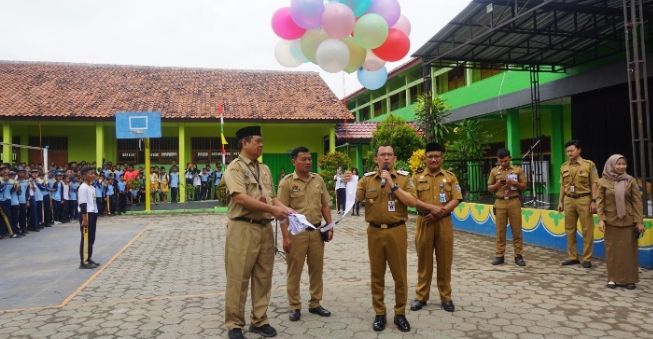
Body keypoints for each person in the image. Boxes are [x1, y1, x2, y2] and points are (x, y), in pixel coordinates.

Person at [223, 126, 294, 339]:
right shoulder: (234, 168)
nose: (261, 145)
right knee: (238, 278)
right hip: (243, 228)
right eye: (258, 141)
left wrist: (285, 207)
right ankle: (235, 324)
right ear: (244, 143)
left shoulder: (264, 169)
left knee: (263, 277)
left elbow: (271, 196)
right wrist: (273, 209)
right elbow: (240, 198)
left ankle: (259, 320)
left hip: (264, 229)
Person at [345, 143, 417, 333]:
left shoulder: (403, 178)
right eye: (382, 155)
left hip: (397, 231)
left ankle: (400, 313)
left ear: (394, 159)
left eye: (389, 155)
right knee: (377, 274)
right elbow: (354, 199)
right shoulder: (367, 180)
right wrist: (348, 184)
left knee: (399, 274)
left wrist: (393, 186)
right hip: (375, 232)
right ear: (376, 159)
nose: (386, 158)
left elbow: (412, 202)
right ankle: (380, 312)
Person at [278, 146, 334, 322]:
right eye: (303, 159)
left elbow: (325, 205)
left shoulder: (318, 180)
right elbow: (281, 213)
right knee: (294, 270)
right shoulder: (286, 183)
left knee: (316, 269)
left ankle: (315, 303)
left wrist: (329, 226)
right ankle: (294, 306)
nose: (308, 162)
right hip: (297, 233)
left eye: (309, 159)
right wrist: (285, 238)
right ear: (294, 161)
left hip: (317, 232)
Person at [410, 142, 463, 314]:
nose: (433, 159)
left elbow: (456, 198)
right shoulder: (416, 178)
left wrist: (439, 213)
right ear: (425, 159)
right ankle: (421, 296)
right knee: (424, 261)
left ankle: (446, 297)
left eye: (437, 156)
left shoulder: (450, 177)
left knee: (445, 261)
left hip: (444, 223)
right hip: (424, 222)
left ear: (442, 158)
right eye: (430, 156)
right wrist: (431, 210)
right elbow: (412, 200)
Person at [597, 155, 644, 290]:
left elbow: (637, 202)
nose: (621, 166)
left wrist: (638, 222)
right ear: (611, 165)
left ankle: (630, 279)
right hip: (610, 222)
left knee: (629, 252)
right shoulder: (603, 182)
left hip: (628, 222)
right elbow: (600, 202)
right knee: (612, 251)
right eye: (618, 164)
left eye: (624, 164)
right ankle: (613, 278)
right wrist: (601, 220)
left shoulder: (630, 181)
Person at [558, 140, 599, 268]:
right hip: (569, 200)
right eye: (567, 151)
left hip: (584, 199)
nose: (569, 153)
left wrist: (594, 201)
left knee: (587, 229)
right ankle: (573, 257)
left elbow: (594, 183)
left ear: (579, 150)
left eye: (572, 150)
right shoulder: (564, 166)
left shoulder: (589, 165)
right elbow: (563, 185)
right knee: (569, 229)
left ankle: (587, 258)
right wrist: (560, 201)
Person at [487, 148, 528, 266]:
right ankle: (499, 255)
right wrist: (497, 184)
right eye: (501, 161)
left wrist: (515, 183)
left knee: (516, 230)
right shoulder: (494, 171)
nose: (503, 163)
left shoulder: (517, 170)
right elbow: (489, 188)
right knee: (500, 230)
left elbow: (524, 186)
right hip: (500, 202)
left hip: (513, 201)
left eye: (505, 161)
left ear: (509, 158)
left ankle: (518, 256)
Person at [77, 167, 100, 269]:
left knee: (91, 237)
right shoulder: (83, 188)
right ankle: (84, 262)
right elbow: (83, 204)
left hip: (92, 213)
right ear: (84, 176)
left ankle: (89, 257)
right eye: (91, 173)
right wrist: (84, 219)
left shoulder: (91, 187)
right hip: (86, 214)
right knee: (86, 238)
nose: (93, 175)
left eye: (94, 173)